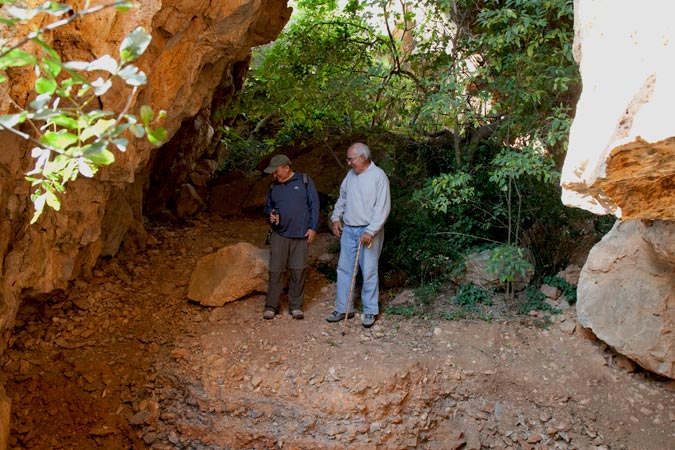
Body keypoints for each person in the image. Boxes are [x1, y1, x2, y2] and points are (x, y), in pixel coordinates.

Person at [327, 143, 391, 328]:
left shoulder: (378, 177)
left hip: (369, 231)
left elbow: (382, 207)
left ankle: (370, 311)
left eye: (350, 159)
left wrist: (371, 231)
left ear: (362, 157)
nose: (348, 163)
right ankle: (343, 308)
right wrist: (336, 218)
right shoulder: (350, 176)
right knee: (344, 269)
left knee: (369, 270)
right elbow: (343, 199)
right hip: (349, 229)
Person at [262, 154, 320, 320]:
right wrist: (270, 215)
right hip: (279, 233)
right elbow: (268, 207)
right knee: (275, 270)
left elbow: (314, 205)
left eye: (276, 171)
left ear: (287, 168)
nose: (274, 175)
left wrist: (313, 227)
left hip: (301, 234)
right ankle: (271, 306)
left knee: (298, 269)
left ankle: (295, 306)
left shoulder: (305, 181)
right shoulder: (273, 186)